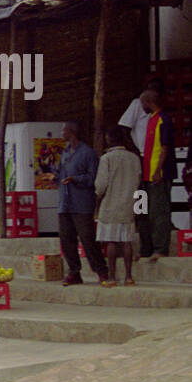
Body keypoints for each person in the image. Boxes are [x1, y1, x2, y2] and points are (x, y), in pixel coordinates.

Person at [51, 120, 107, 285]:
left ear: (71, 132)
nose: (62, 133)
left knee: (87, 238)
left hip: (81, 203)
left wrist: (75, 179)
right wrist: (55, 178)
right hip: (65, 203)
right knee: (66, 239)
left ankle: (101, 271)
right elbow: (61, 175)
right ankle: (74, 272)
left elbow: (93, 178)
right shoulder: (65, 153)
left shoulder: (88, 153)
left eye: (64, 130)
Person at [94, 125, 143, 287]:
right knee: (127, 241)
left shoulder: (106, 159)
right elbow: (138, 181)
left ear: (109, 139)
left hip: (110, 205)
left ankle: (112, 277)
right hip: (129, 204)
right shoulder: (134, 158)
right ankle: (129, 277)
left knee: (112, 242)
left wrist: (96, 199)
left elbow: (101, 185)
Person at [136, 87, 175, 259]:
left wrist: (158, 170)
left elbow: (165, 147)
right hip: (147, 174)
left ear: (148, 102)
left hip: (159, 173)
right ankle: (147, 248)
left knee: (159, 212)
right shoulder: (151, 119)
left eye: (142, 102)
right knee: (143, 211)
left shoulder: (163, 119)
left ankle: (161, 249)